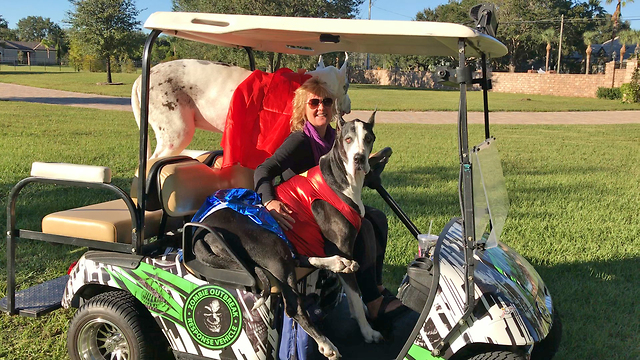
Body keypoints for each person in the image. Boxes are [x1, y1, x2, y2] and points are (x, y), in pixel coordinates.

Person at [253, 77, 406, 326]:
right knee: (363, 226)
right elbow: (263, 170)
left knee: (376, 217)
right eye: (314, 102)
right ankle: (372, 304)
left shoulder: (338, 136)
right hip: (304, 216)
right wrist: (269, 202)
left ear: (334, 107)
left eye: (326, 102)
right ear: (304, 107)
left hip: (329, 210)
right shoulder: (300, 140)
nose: (320, 107)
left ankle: (376, 289)